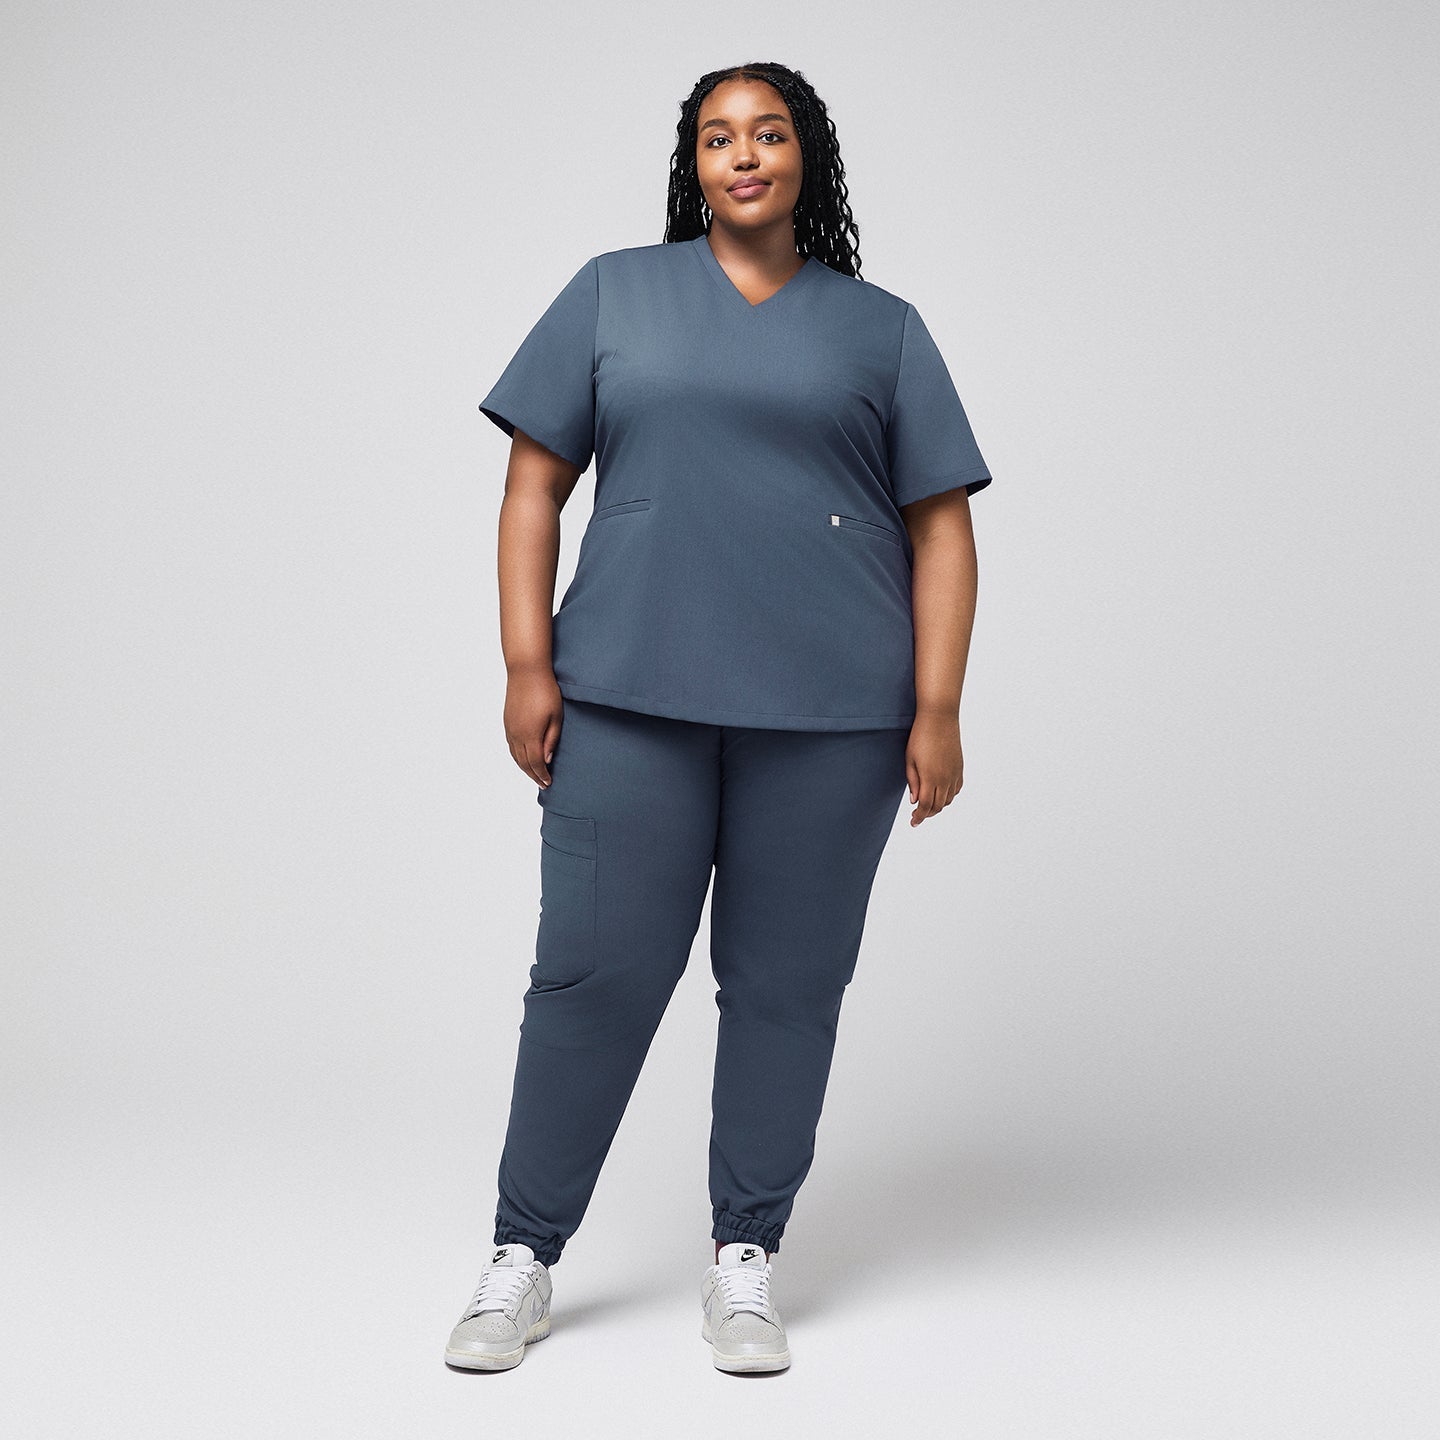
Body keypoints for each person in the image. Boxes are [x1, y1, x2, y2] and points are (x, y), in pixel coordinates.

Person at [445, 60, 993, 1376]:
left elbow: (943, 528)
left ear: (810, 157)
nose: (744, 155)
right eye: (717, 138)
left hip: (833, 721)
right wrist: (529, 663)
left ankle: (744, 1258)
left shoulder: (883, 330)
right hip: (627, 696)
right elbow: (533, 486)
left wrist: (937, 704)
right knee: (590, 978)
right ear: (692, 167)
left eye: (770, 132)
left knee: (786, 990)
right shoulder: (613, 295)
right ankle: (524, 1254)